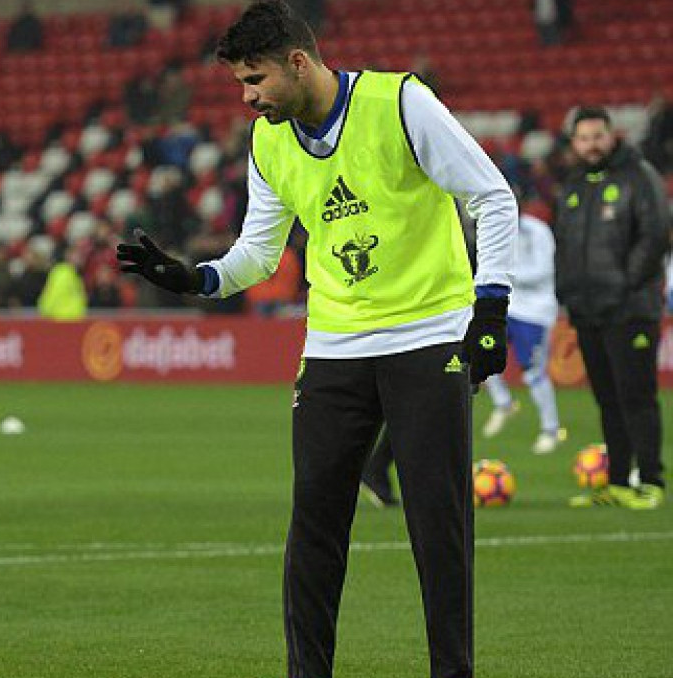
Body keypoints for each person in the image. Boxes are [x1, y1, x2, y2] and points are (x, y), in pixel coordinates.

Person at [117, 3, 517, 677]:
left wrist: (492, 310)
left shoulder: (399, 102)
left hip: (429, 336)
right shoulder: (270, 141)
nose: (248, 99)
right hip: (334, 346)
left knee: (437, 527)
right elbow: (260, 254)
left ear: (297, 62)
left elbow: (493, 197)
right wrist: (194, 278)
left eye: (255, 80)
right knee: (315, 526)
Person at [557, 107, 669, 510]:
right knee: (608, 400)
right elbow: (565, 246)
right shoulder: (573, 185)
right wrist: (565, 291)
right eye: (584, 138)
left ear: (612, 135)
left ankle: (651, 481)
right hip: (587, 311)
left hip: (630, 309)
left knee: (636, 396)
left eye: (598, 136)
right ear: (574, 142)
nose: (592, 145)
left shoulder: (639, 176)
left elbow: (655, 235)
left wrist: (625, 285)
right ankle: (619, 482)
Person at [481, 211, 565, 454]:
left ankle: (551, 430)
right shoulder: (494, 226)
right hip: (507, 305)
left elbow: (544, 271)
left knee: (533, 373)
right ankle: (504, 403)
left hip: (535, 312)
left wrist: (505, 275)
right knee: (482, 351)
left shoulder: (536, 231)